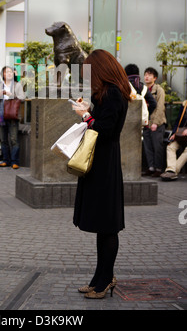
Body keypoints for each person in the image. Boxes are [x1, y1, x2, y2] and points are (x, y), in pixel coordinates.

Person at [72, 49, 131, 299]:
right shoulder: (107, 93)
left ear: (100, 70)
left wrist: (86, 115)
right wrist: (90, 111)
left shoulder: (114, 93)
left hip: (105, 165)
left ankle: (105, 280)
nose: (87, 77)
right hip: (100, 163)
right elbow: (102, 123)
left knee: (107, 225)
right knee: (101, 225)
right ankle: (100, 277)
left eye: (89, 71)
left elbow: (105, 130)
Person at [0, 66, 25, 169]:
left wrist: (11, 94)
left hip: (13, 116)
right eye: (6, 72)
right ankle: (5, 160)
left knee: (14, 139)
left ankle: (14, 161)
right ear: (3, 74)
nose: (8, 74)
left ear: (13, 74)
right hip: (2, 116)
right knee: (3, 140)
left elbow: (22, 98)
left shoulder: (17, 85)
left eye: (10, 72)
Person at [143, 67, 166, 177]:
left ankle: (158, 168)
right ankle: (151, 167)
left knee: (157, 146)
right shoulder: (143, 89)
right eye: (145, 74)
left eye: (149, 75)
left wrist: (155, 123)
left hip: (157, 123)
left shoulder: (159, 90)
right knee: (147, 146)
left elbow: (160, 107)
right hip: (146, 122)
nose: (146, 76)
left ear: (155, 78)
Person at [160, 100, 187, 181]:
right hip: (181, 135)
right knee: (171, 146)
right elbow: (178, 120)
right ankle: (171, 170)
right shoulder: (185, 104)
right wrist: (174, 133)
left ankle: (172, 171)